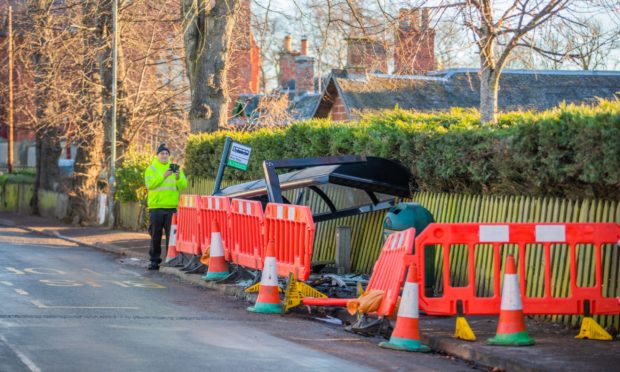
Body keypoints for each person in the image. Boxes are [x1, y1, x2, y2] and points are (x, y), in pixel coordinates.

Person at [144, 143, 187, 270]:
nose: (164, 155)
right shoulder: (151, 168)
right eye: (162, 153)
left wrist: (178, 177)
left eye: (167, 154)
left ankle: (171, 259)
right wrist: (163, 176)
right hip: (156, 207)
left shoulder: (175, 168)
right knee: (155, 235)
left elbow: (183, 186)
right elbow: (150, 185)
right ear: (157, 155)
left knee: (172, 236)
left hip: (171, 207)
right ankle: (154, 261)